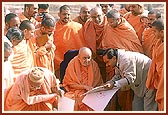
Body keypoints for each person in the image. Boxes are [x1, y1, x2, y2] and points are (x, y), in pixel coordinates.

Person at [53, 5, 87, 78]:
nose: (66, 16)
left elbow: (83, 43)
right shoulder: (54, 27)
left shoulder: (78, 27)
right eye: (64, 14)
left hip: (75, 60)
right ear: (59, 14)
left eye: (68, 14)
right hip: (59, 61)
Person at [146, 20, 164, 111]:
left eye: (154, 31)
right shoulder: (158, 43)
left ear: (162, 32)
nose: (153, 34)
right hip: (159, 78)